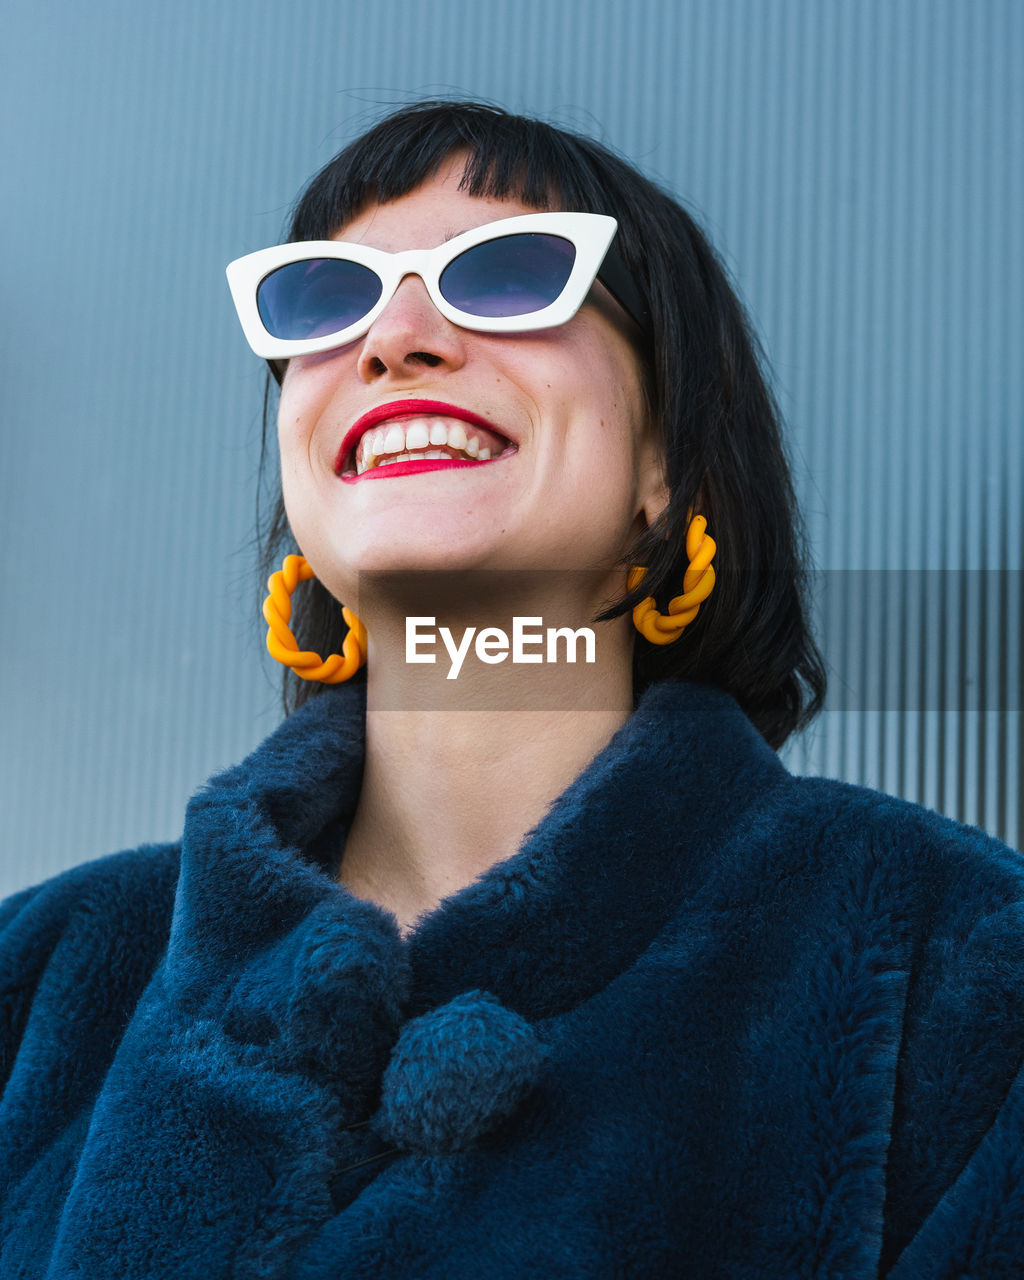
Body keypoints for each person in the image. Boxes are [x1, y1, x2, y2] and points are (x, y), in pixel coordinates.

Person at [1, 100, 1021, 1279]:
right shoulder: (41, 976)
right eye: (324, 299)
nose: (394, 339)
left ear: (666, 465)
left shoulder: (954, 977)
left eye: (511, 273)